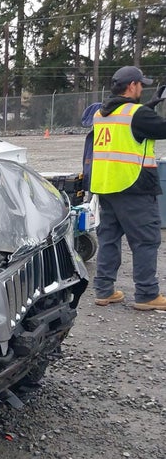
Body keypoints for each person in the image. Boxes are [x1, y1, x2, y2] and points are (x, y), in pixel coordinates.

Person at [91, 65, 166, 310]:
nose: (143, 88)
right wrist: (150, 109)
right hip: (134, 186)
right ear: (132, 85)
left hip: (106, 186)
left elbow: (130, 123)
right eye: (141, 84)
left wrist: (149, 106)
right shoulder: (137, 114)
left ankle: (104, 291)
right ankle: (147, 294)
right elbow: (156, 126)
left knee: (109, 239)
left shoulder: (101, 113)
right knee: (146, 240)